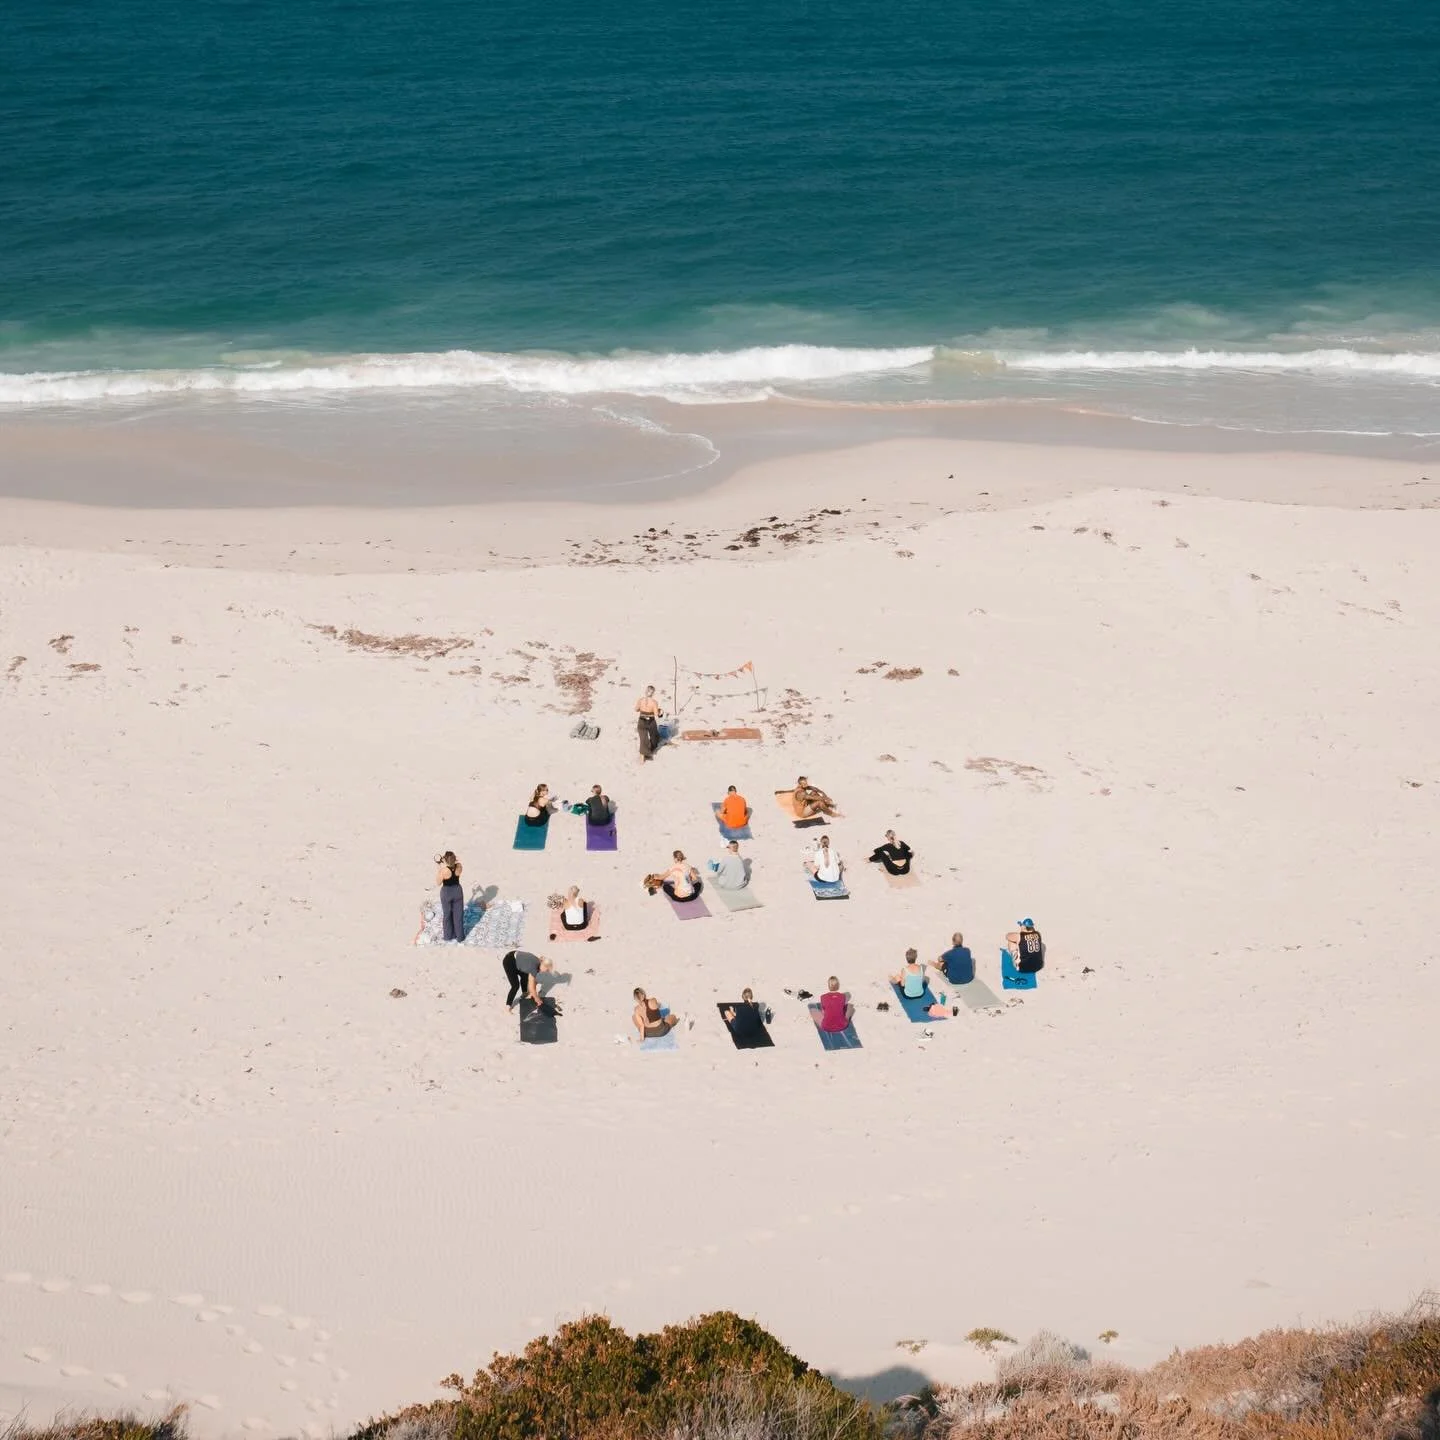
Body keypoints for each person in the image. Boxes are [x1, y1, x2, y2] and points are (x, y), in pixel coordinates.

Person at [436, 850, 465, 942]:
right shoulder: (459, 867)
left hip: (447, 892)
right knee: (458, 915)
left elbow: (438, 882)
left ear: (445, 860)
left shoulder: (444, 871)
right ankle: (460, 936)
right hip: (457, 891)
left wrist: (440, 867)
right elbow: (457, 864)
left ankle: (448, 936)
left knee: (447, 915)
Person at [635, 686, 664, 761]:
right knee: (654, 736)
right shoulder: (654, 702)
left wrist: (642, 708)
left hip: (641, 719)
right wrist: (661, 712)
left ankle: (643, 755)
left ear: (646, 691)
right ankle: (648, 752)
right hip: (650, 720)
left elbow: (636, 709)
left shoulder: (640, 700)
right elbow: (656, 714)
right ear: (653, 693)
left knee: (643, 738)